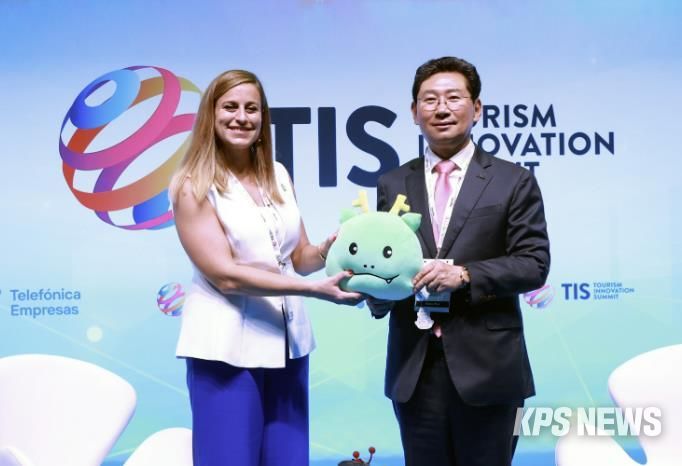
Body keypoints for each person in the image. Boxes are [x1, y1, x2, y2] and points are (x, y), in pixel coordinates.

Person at [169, 69, 362, 466]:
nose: (241, 117)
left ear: (263, 118)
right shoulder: (192, 183)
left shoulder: (278, 174)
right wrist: (314, 290)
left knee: (288, 459)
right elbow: (225, 275)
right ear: (210, 115)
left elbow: (299, 257)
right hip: (225, 349)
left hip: (289, 343)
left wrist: (331, 248)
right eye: (230, 107)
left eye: (251, 108)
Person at [367, 57, 550, 466]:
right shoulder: (392, 183)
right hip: (415, 368)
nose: (441, 108)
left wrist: (464, 274)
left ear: (477, 108)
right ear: (414, 112)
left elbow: (533, 263)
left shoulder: (513, 180)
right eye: (430, 100)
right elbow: (384, 264)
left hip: (489, 369)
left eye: (453, 98)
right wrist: (370, 288)